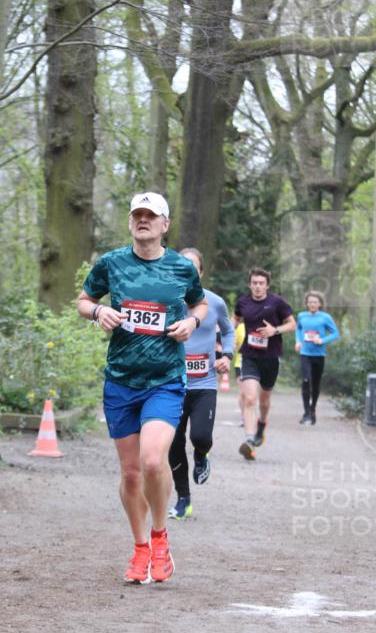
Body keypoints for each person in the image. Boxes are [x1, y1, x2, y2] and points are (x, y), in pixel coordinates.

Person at [76, 193, 208, 584]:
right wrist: (99, 311)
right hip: (120, 381)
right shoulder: (111, 263)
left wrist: (192, 324)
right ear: (131, 222)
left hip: (165, 380)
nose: (143, 221)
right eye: (138, 215)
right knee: (131, 474)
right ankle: (139, 548)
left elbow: (199, 305)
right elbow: (84, 301)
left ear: (165, 225)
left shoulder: (182, 268)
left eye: (151, 216)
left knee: (153, 460)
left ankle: (160, 536)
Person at [168, 248, 235, 520]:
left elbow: (228, 331)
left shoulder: (215, 302)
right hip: (172, 383)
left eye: (193, 267)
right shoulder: (168, 301)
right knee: (173, 444)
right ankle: (184, 499)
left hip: (204, 384)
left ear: (201, 272)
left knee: (201, 437)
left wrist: (227, 356)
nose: (188, 270)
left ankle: (201, 455)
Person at [233, 267, 296, 460]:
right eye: (254, 283)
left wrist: (274, 330)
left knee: (264, 400)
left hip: (270, 358)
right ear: (250, 284)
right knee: (250, 398)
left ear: (267, 285)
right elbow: (235, 319)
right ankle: (249, 439)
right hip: (249, 356)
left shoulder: (277, 303)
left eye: (261, 283)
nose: (258, 287)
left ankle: (262, 424)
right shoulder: (243, 301)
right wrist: (223, 333)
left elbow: (292, 324)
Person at [294, 290, 340, 424]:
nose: (312, 304)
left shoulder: (325, 317)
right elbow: (298, 329)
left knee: (315, 384)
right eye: (310, 302)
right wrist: (298, 341)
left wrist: (322, 340)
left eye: (315, 302)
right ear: (307, 304)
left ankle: (313, 409)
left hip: (319, 355)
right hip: (305, 354)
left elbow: (335, 333)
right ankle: (306, 413)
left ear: (319, 304)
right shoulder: (302, 316)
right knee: (306, 381)